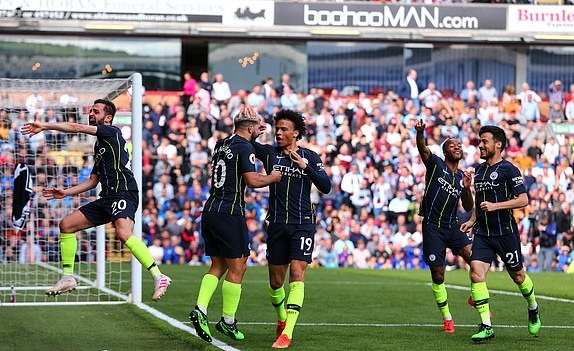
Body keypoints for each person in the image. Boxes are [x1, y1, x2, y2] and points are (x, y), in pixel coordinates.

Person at [21, 99, 172, 301]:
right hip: (107, 197)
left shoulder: (112, 132)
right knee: (66, 224)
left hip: (124, 191)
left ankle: (158, 275)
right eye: (90, 110)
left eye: (96, 111)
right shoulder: (100, 146)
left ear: (107, 118)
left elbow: (74, 127)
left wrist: (44, 126)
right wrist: (66, 192)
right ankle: (67, 278)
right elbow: (93, 180)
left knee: (123, 232)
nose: (91, 113)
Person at [189, 106, 282, 343]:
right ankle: (223, 319)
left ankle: (203, 309)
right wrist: (272, 177)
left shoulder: (221, 144)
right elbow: (251, 180)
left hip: (210, 210)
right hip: (230, 212)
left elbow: (240, 148)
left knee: (218, 266)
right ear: (250, 128)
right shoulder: (245, 147)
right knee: (239, 266)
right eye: (255, 128)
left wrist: (253, 135)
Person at [253, 109, 331, 348]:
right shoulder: (269, 153)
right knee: (276, 284)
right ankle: (281, 319)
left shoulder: (311, 156)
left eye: (284, 129)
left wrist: (306, 167)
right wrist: (252, 134)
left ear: (296, 133)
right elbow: (243, 144)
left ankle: (287, 333)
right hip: (276, 224)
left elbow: (326, 186)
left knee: (297, 276)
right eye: (277, 129)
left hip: (303, 225)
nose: (278, 133)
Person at [460, 125, 541, 342]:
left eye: (484, 141)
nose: (480, 145)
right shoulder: (479, 170)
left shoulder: (509, 169)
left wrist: (496, 206)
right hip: (484, 233)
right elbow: (477, 203)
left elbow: (523, 200)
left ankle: (533, 306)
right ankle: (487, 326)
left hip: (505, 233)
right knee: (476, 273)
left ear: (498, 144)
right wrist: (472, 218)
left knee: (518, 276)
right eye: (480, 141)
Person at [415, 119, 473, 333]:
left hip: (453, 226)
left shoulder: (461, 176)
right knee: (438, 275)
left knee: (476, 260)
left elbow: (467, 206)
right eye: (452, 145)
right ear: (445, 150)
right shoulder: (436, 164)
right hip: (432, 227)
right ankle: (447, 317)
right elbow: (422, 148)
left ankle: (476, 297)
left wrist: (467, 189)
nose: (457, 147)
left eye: (459, 145)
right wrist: (420, 133)